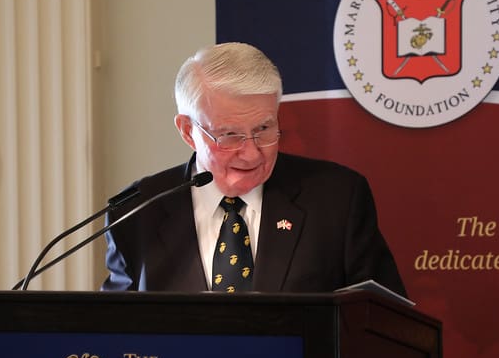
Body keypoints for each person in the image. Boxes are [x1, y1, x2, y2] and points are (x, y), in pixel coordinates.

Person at [101, 42, 406, 296]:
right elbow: (113, 331)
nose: (251, 154)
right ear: (187, 131)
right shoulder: (138, 212)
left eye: (263, 129)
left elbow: (384, 325)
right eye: (229, 135)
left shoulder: (337, 199)